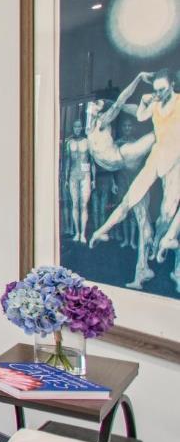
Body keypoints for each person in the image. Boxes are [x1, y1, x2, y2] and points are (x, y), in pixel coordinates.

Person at [90, 71, 180, 282]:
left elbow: (123, 103)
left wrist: (139, 81)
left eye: (163, 89)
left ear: (172, 85)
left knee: (166, 213)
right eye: (156, 90)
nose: (159, 93)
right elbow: (132, 110)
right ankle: (147, 261)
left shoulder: (104, 119)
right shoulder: (154, 103)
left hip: (151, 158)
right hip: (141, 160)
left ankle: (162, 247)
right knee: (135, 207)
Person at [85, 89, 156, 288]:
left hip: (128, 166)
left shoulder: (107, 122)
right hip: (124, 170)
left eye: (97, 103)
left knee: (143, 223)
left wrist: (137, 82)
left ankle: (142, 270)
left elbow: (119, 103)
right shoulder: (97, 129)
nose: (93, 104)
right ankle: (143, 269)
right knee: (143, 223)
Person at [63, 115, 93, 243]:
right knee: (75, 203)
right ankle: (77, 232)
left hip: (85, 175)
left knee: (84, 204)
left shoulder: (87, 142)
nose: (77, 129)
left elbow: (91, 161)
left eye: (79, 126)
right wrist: (65, 178)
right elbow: (67, 162)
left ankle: (83, 234)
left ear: (82, 128)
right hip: (73, 175)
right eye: (75, 126)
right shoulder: (69, 143)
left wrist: (93, 179)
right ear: (73, 128)